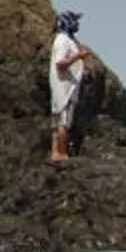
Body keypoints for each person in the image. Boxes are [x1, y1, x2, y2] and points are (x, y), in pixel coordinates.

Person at [48, 10, 100, 162]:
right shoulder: (63, 40)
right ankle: (61, 153)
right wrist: (79, 56)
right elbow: (60, 64)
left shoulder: (63, 39)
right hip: (65, 89)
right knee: (64, 123)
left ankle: (54, 153)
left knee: (58, 122)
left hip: (64, 89)